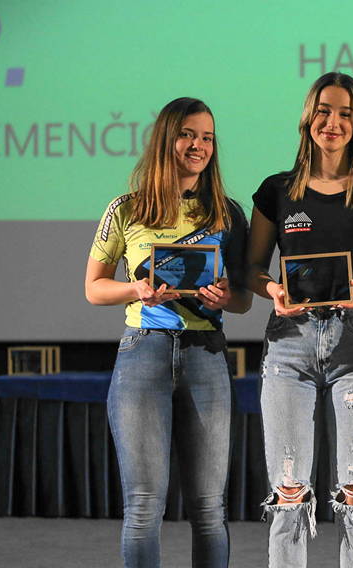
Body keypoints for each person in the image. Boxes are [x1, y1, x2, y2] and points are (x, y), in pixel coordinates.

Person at [247, 72, 353, 568]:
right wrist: (272, 289)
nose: (333, 122)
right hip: (289, 345)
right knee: (289, 490)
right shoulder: (277, 190)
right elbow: (252, 269)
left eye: (344, 113)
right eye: (324, 111)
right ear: (308, 118)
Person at [85, 97, 250, 568]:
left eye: (207, 138)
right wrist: (135, 290)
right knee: (143, 507)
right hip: (143, 353)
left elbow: (243, 298)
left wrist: (224, 298)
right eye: (188, 135)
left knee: (209, 509)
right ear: (165, 139)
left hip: (206, 354)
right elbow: (94, 288)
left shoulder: (227, 213)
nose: (198, 146)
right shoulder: (126, 208)